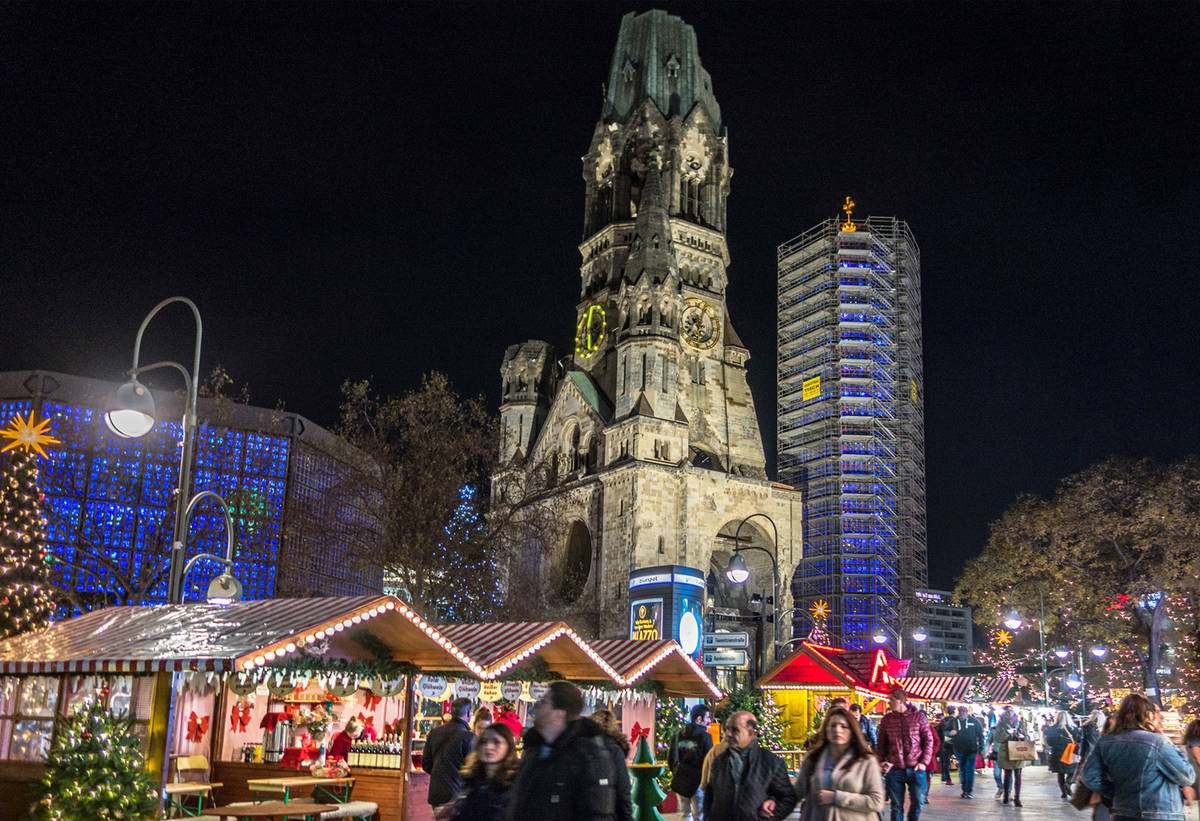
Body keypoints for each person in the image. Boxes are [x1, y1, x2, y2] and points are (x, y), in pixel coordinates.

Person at [506, 680, 617, 821]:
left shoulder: (586, 756)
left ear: (558, 714)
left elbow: (596, 811)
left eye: (544, 702)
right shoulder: (535, 751)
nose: (536, 707)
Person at [1082, 693, 1196, 821]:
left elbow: (1090, 777)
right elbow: (1187, 776)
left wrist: (1115, 793)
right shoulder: (1157, 742)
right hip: (1161, 813)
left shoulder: (1105, 742)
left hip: (1123, 812)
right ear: (1149, 715)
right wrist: (1172, 745)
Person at [793, 706, 886, 821]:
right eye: (833, 725)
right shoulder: (814, 759)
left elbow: (876, 801)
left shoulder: (866, 761)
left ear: (852, 732)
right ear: (826, 730)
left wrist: (836, 797)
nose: (837, 730)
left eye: (843, 726)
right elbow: (796, 793)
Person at [704, 711, 797, 821]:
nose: (728, 734)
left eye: (735, 730)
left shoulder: (771, 762)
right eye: (727, 729)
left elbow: (788, 798)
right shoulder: (719, 760)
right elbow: (710, 795)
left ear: (751, 733)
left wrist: (771, 814)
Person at [876, 687, 934, 821]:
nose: (888, 702)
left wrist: (924, 762)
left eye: (891, 700)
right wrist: (881, 761)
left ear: (900, 701)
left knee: (918, 801)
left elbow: (928, 740)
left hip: (916, 768)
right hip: (895, 768)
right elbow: (881, 743)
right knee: (896, 805)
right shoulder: (887, 719)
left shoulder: (919, 717)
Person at [455, 723, 519, 821]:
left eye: (496, 742)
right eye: (484, 741)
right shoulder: (471, 776)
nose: (489, 747)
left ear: (508, 746)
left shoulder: (516, 781)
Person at [425, 698, 477, 818]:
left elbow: (426, 764)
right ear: (468, 713)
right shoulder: (469, 737)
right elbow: (473, 770)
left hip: (437, 794)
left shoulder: (434, 732)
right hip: (457, 796)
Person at [669, 704, 714, 821]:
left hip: (681, 779)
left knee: (684, 814)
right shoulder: (705, 737)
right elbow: (709, 761)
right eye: (707, 717)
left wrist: (676, 773)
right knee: (699, 815)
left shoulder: (677, 736)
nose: (709, 720)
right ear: (699, 719)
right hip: (698, 781)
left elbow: (671, 759)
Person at [588, 709, 634, 821]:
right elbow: (623, 790)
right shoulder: (614, 750)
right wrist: (627, 817)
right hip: (609, 813)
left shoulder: (582, 747)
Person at [993, 706, 1031, 807]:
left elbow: (1026, 736)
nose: (1010, 712)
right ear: (1005, 713)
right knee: (1007, 775)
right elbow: (997, 738)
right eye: (1008, 711)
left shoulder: (1020, 723)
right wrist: (1006, 733)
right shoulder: (1001, 724)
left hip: (1018, 750)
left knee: (1018, 775)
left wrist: (1023, 737)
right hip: (1006, 752)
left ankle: (1017, 798)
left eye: (1011, 710)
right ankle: (1006, 796)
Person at [1044, 709, 1080, 801]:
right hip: (1071, 752)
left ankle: (1063, 792)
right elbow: (1078, 740)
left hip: (1058, 753)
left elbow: (1050, 742)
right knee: (1072, 771)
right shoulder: (1074, 728)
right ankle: (1068, 783)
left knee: (1060, 774)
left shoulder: (1052, 729)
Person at [949, 706, 984, 800]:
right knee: (962, 770)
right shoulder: (953, 721)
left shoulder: (974, 721)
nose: (961, 713)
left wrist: (981, 748)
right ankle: (964, 790)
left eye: (963, 711)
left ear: (966, 712)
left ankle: (969, 791)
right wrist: (949, 733)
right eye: (960, 711)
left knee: (969, 770)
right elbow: (945, 731)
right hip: (959, 750)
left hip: (971, 750)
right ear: (958, 712)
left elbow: (980, 734)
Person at [937, 712, 956, 786]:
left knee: (944, 762)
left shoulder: (942, 722)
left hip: (943, 744)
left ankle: (944, 778)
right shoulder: (954, 721)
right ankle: (961, 779)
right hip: (951, 744)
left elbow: (938, 733)